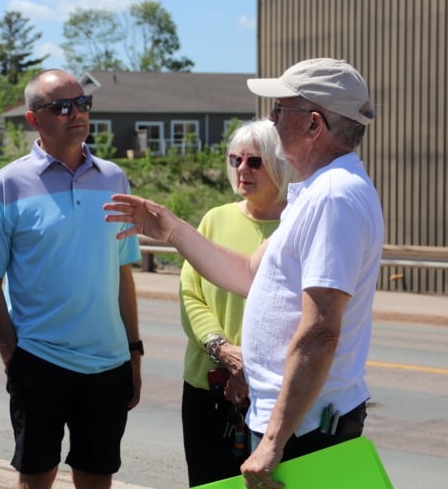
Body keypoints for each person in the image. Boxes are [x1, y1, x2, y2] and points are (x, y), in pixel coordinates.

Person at [104, 58, 383, 489]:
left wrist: (273, 441)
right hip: (294, 420)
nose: (271, 118)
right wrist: (172, 228)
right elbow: (251, 274)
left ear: (313, 125)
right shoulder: (316, 192)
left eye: (280, 110)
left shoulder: (333, 197)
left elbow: (320, 331)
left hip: (304, 426)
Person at [0, 69, 143, 489]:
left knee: (98, 479)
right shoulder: (8, 184)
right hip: (39, 363)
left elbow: (122, 272)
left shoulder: (115, 178)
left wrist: (134, 353)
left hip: (109, 365)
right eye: (61, 107)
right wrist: (13, 356)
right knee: (35, 479)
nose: (76, 113)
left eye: (82, 103)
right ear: (33, 119)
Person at [180, 119, 300, 486]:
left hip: (276, 398)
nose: (242, 170)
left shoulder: (297, 224)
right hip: (209, 387)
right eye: (235, 160)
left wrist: (252, 367)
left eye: (254, 162)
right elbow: (191, 293)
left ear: (280, 163)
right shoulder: (215, 219)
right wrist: (224, 350)